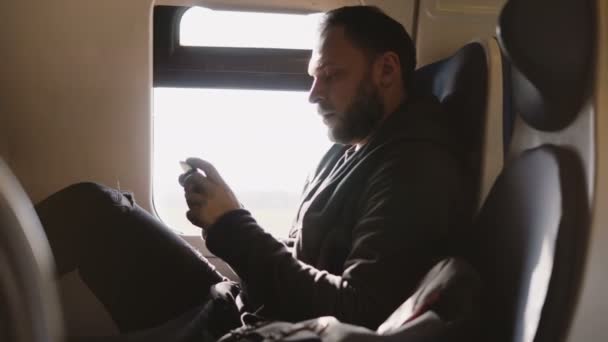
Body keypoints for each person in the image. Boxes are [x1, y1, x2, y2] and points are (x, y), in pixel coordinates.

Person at [36, 5, 473, 342]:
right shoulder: (350, 148)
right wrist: (228, 216)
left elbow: (360, 313)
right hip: (237, 305)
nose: (313, 94)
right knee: (95, 210)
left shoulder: (414, 169)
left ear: (387, 70)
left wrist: (234, 226)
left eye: (330, 75)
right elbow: (299, 258)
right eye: (312, 76)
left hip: (256, 328)